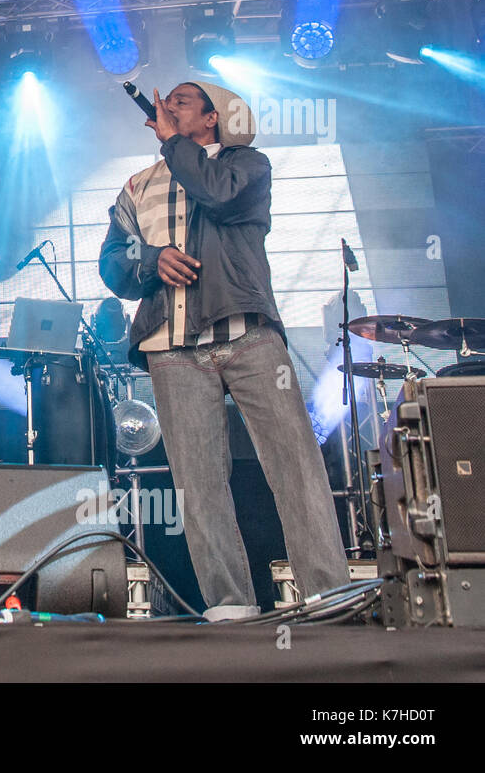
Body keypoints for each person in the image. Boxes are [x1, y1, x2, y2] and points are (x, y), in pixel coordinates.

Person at [98, 82, 349, 621]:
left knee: (294, 465)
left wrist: (172, 143)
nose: (168, 104)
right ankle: (230, 601)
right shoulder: (136, 186)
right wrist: (151, 261)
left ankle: (327, 591)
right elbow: (113, 262)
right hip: (171, 347)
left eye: (183, 100)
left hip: (249, 336)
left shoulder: (247, 167)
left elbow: (219, 196)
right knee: (198, 481)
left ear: (213, 119)